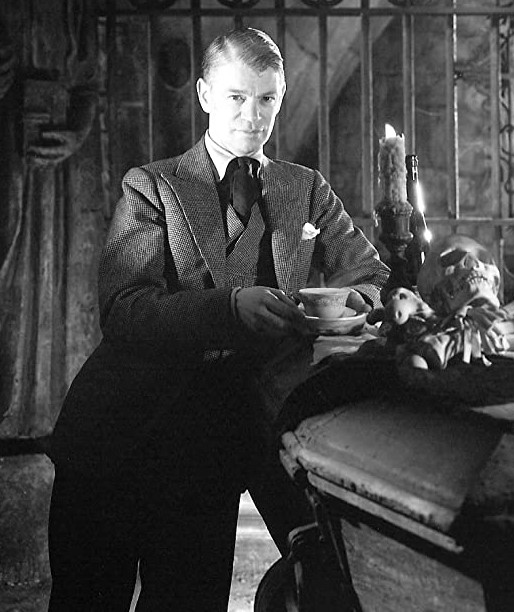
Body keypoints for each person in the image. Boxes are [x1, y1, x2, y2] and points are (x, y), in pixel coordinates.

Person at [46, 27, 389, 610]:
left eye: (267, 99)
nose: (252, 116)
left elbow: (372, 277)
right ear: (205, 95)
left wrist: (352, 302)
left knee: (190, 601)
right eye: (236, 97)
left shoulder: (304, 189)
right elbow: (125, 309)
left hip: (213, 450)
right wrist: (228, 308)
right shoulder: (152, 185)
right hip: (120, 435)